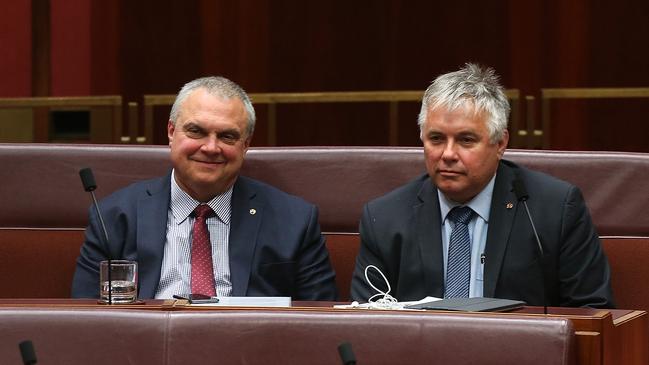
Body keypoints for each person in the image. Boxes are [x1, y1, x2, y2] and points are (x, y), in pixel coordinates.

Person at [350, 63, 614, 308]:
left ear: (500, 144)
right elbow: (367, 320)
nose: (448, 154)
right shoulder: (384, 218)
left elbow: (593, 312)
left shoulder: (554, 210)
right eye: (436, 138)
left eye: (466, 140)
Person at [72, 76, 337, 300]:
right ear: (171, 132)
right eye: (196, 131)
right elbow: (86, 318)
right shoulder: (115, 217)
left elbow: (321, 322)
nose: (211, 148)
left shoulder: (295, 221)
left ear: (245, 145)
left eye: (227, 136)